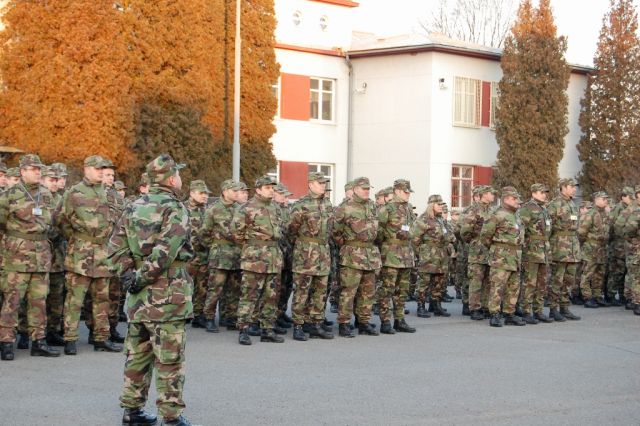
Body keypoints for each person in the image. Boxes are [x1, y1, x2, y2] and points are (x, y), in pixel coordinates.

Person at [109, 154, 196, 426]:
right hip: (167, 296)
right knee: (169, 359)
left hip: (138, 299)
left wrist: (129, 276)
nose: (180, 178)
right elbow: (165, 252)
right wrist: (140, 277)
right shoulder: (175, 208)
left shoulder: (132, 207)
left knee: (137, 355)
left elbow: (115, 248)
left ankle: (132, 411)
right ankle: (171, 417)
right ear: (170, 179)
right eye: (177, 174)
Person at [56, 155, 122, 354]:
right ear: (86, 169)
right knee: (75, 299)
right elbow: (61, 219)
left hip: (103, 253)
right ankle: (70, 338)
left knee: (102, 299)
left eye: (103, 169)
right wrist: (78, 238)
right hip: (81, 254)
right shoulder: (74, 193)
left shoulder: (110, 194)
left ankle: (101, 338)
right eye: (97, 168)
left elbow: (118, 220)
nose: (101, 172)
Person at [0, 154, 60, 360]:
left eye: (39, 169)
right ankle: (6, 341)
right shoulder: (10, 194)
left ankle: (38, 341)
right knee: (12, 300)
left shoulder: (46, 194)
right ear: (23, 171)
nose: (37, 172)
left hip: (41, 255)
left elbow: (53, 221)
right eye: (33, 169)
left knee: (39, 301)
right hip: (17, 256)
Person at [232, 175, 284, 345]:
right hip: (254, 259)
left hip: (274, 257)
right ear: (258, 190)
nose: (271, 190)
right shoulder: (246, 208)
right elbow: (237, 233)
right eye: (268, 188)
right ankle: (244, 329)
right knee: (249, 295)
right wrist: (252, 247)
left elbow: (280, 230)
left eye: (272, 188)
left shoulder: (275, 208)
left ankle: (267, 329)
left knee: (271, 296)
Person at [288, 172, 335, 341]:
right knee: (302, 291)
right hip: (306, 255)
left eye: (324, 183)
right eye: (320, 183)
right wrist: (303, 245)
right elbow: (291, 230)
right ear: (310, 184)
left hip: (323, 253)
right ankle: (298, 325)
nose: (323, 185)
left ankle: (315, 324)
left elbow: (331, 229)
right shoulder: (301, 205)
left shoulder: (327, 204)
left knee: (320, 291)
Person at [333, 177, 381, 337]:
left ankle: (363, 322)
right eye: (363, 188)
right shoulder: (345, 207)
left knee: (368, 292)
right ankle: (344, 323)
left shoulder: (372, 206)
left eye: (368, 188)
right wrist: (348, 245)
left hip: (370, 255)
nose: (367, 191)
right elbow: (335, 231)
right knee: (348, 291)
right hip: (352, 255)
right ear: (354, 189)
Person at [199, 179, 242, 333]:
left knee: (234, 289)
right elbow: (204, 233)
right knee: (214, 289)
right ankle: (209, 318)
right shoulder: (213, 209)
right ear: (225, 192)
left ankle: (230, 317)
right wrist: (214, 246)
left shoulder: (240, 209)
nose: (237, 193)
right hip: (219, 256)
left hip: (236, 255)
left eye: (238, 191)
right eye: (234, 191)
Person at [376, 179, 417, 333]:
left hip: (406, 254)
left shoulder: (408, 208)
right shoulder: (387, 209)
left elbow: (413, 227)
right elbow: (378, 231)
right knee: (387, 289)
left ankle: (399, 320)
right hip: (391, 255)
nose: (408, 195)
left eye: (409, 192)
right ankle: (385, 321)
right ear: (397, 191)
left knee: (402, 290)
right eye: (406, 192)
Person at [480, 187, 525, 327]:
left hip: (515, 257)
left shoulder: (516, 216)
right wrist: (497, 249)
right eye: (514, 198)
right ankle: (494, 313)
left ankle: (509, 313)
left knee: (514, 286)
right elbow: (485, 236)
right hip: (501, 257)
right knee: (497, 286)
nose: (517, 201)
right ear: (505, 199)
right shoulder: (497, 215)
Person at [411, 194, 456, 319]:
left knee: (439, 281)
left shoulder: (440, 219)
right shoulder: (423, 219)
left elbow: (448, 234)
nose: (441, 206)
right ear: (431, 205)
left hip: (441, 255)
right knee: (424, 282)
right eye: (438, 204)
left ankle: (435, 304)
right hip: (428, 255)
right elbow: (414, 239)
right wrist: (421, 253)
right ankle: (421, 306)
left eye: (442, 204)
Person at [547, 178, 582, 321]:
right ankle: (553, 309)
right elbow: (548, 227)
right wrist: (549, 247)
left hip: (572, 248)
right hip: (559, 247)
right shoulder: (554, 204)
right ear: (563, 187)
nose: (574, 189)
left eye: (575, 187)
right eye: (571, 186)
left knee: (569, 280)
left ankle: (564, 307)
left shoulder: (573, 204)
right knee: (557, 279)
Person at [518, 183, 553, 324]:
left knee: (542, 282)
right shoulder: (527, 208)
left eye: (545, 192)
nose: (544, 195)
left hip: (544, 250)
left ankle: (538, 311)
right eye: (541, 192)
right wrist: (524, 247)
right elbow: (521, 229)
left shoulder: (544, 209)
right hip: (532, 250)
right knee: (529, 282)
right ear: (533, 193)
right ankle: (526, 311)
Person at [460, 186, 495, 320]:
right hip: (477, 251)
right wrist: (474, 241)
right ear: (484, 194)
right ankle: (474, 308)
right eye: (491, 193)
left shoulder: (492, 210)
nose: (493, 195)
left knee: (488, 280)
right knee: (476, 280)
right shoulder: (474, 210)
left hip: (490, 251)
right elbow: (465, 231)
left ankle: (485, 307)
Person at [186, 180, 211, 329]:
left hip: (203, 255)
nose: (205, 196)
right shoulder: (183, 209)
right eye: (202, 193)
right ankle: (182, 314)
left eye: (206, 193)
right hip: (188, 256)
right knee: (185, 287)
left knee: (202, 287)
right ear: (192, 193)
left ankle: (198, 314)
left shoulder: (207, 211)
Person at [578, 192, 610, 308]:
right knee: (587, 273)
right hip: (591, 248)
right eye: (604, 199)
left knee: (599, 274)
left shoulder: (605, 214)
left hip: (602, 249)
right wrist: (588, 243)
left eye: (606, 199)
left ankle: (597, 296)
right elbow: (581, 232)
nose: (606, 201)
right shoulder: (590, 213)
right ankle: (587, 297)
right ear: (596, 199)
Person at [606, 187, 633, 306]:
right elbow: (612, 225)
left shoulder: (630, 208)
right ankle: (611, 295)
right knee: (617, 270)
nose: (631, 198)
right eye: (629, 196)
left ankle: (623, 295)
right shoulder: (618, 208)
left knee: (625, 270)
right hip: (618, 244)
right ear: (623, 197)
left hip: (626, 244)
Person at [274, 183, 294, 330]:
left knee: (287, 286)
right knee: (276, 287)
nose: (285, 198)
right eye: (282, 195)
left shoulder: (287, 210)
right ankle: (273, 316)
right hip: (276, 253)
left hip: (288, 253)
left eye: (286, 196)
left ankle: (281, 312)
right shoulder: (271, 210)